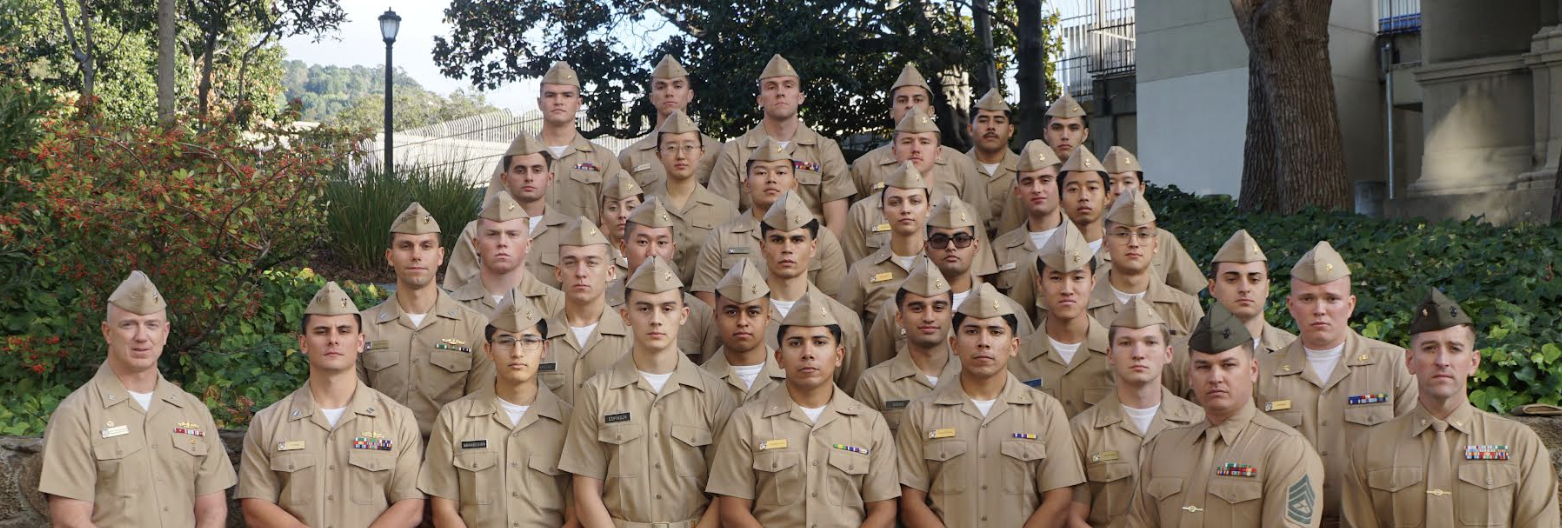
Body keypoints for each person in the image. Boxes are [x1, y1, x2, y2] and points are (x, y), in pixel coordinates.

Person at [1342, 289, 1559, 528]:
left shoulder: (1519, 444)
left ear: (1473, 362)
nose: (1442, 360)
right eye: (1429, 348)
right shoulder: (1370, 448)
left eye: (1455, 348)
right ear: (1410, 362)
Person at [39, 271, 237, 528]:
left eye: (151, 325)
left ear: (165, 333)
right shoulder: (77, 414)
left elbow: (212, 510)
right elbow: (70, 520)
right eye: (128, 324)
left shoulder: (193, 411)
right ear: (108, 332)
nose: (141, 336)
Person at [559, 256, 737, 528]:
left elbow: (724, 490)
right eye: (644, 309)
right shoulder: (597, 392)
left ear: (684, 315)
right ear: (626, 315)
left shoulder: (713, 393)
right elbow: (585, 493)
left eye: (667, 309)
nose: (656, 320)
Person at [897, 283, 1086, 528]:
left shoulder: (1046, 411)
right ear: (954, 344)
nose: (983, 342)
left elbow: (1059, 500)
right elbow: (911, 503)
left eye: (996, 332)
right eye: (972, 331)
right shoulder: (921, 413)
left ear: (1014, 346)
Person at [1256, 241, 1417, 527]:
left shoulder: (1394, 366)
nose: (1320, 309)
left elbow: (1415, 453)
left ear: (1350, 304)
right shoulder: (1262, 373)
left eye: (1331, 299)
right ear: (1291, 306)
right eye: (1307, 299)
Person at [238, 282, 425, 528]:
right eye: (322, 331)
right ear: (303, 343)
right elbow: (255, 506)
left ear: (360, 342)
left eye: (344, 331)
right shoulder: (268, 422)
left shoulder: (398, 420)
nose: (333, 340)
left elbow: (410, 506)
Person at [707, 293, 901, 528]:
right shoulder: (747, 422)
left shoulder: (870, 424)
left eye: (819, 342)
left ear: (839, 355)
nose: (808, 353)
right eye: (795, 343)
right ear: (779, 358)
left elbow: (884, 511)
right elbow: (733, 510)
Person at [1126, 304, 1325, 528]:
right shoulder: (1163, 447)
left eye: (1228, 365)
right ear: (1190, 375)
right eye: (1203, 367)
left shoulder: (1285, 450)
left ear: (1253, 370)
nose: (1215, 377)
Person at [418, 296, 577, 528]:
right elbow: (444, 510)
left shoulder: (569, 421)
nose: (517, 352)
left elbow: (575, 514)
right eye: (505, 341)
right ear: (488, 350)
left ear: (545, 348)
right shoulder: (454, 419)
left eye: (529, 340)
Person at [1067, 299, 1203, 528]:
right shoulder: (1083, 430)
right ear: (1110, 354)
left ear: (1169, 353)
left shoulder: (1199, 423)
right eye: (1126, 343)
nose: (1138, 353)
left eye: (1150, 342)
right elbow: (1073, 515)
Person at [360, 203, 492, 437]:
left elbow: (480, 409)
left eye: (426, 246)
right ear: (390, 256)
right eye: (405, 246)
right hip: (382, 459)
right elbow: (355, 409)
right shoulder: (364, 328)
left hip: (447, 459)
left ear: (440, 255)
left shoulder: (473, 327)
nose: (416, 255)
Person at [862, 195, 1033, 367]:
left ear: (975, 246)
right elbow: (879, 368)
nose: (950, 247)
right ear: (926, 247)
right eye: (940, 240)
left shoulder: (1009, 310)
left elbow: (1024, 370)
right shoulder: (896, 309)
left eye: (961, 240)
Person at [691, 138, 850, 304]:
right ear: (746, 184)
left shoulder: (822, 239)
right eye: (761, 173)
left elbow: (834, 306)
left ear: (795, 184)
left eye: (780, 173)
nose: (771, 179)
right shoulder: (720, 238)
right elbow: (708, 307)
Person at [839, 107, 997, 273]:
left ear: (938, 153)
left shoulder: (966, 213)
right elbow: (853, 276)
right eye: (907, 142)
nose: (915, 149)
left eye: (924, 142)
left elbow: (977, 279)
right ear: (893, 151)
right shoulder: (863, 213)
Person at [709, 54, 854, 233]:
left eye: (788, 85)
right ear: (760, 100)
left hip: (811, 253)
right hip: (749, 254)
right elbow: (724, 219)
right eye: (771, 87)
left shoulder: (825, 150)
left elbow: (837, 224)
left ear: (800, 97)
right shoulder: (735, 151)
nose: (780, 92)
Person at [757, 190, 868, 393]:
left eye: (797, 240)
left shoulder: (844, 321)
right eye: (777, 240)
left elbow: (852, 397)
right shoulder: (745, 317)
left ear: (813, 247)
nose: (787, 248)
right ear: (763, 247)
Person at [1165, 229, 1295, 400]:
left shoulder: (1294, 351)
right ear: (1212, 287)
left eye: (1254, 279)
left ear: (1267, 287)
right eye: (1231, 279)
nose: (1244, 288)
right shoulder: (1179, 357)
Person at [1009, 221, 1112, 418]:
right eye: (1056, 278)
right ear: (1040, 283)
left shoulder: (1116, 354)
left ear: (1092, 282)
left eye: (1077, 278)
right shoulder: (1015, 359)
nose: (1066, 289)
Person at [447, 133, 574, 291]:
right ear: (505, 179)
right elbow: (460, 295)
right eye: (520, 170)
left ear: (549, 178)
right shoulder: (476, 231)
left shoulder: (571, 232)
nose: (528, 177)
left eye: (537, 170)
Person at [849, 63, 985, 209]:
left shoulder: (960, 165)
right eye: (902, 100)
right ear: (891, 112)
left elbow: (978, 222)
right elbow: (855, 222)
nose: (910, 106)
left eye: (918, 100)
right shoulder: (865, 167)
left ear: (931, 110)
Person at [606, 197, 722, 362]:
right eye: (642, 242)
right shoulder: (601, 307)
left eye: (661, 243)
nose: (652, 252)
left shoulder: (699, 314)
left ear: (673, 250)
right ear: (623, 248)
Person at [853, 259, 960, 435]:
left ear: (952, 316)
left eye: (938, 307)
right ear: (900, 318)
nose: (928, 317)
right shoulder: (874, 384)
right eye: (917, 308)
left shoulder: (973, 376)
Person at [1087, 190, 1203, 335]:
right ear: (1105, 244)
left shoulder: (1185, 308)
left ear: (1155, 245)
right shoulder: (1082, 307)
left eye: (1143, 234)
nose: (1134, 243)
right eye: (1122, 234)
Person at [543, 217, 631, 405]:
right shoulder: (536, 340)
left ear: (610, 272)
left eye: (591, 263)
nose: (581, 272)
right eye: (571, 263)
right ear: (558, 272)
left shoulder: (632, 339)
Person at [1097, 146, 1204, 296]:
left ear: (1141, 188)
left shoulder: (1164, 240)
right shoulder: (1090, 237)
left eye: (1127, 182)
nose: (1119, 190)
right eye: (1111, 183)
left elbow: (1189, 296)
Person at [648, 110, 738, 285]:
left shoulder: (725, 211)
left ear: (701, 153)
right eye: (671, 148)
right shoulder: (643, 207)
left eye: (688, 147)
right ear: (659, 155)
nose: (680, 155)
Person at [838, 161, 932, 329]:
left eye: (915, 201)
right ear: (883, 212)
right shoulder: (861, 273)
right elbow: (846, 332)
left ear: (929, 209)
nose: (905, 209)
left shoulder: (942, 265)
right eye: (895, 202)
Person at [448, 189, 566, 317]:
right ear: (477, 245)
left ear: (528, 245)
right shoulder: (451, 308)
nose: (502, 242)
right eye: (492, 234)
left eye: (512, 234)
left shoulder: (557, 305)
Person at [534, 61, 623, 225]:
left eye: (567, 95)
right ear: (540, 103)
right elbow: (495, 213)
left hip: (587, 250)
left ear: (579, 103)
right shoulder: (519, 157)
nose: (558, 101)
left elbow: (617, 219)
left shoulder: (603, 159)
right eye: (550, 95)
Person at [618, 55, 721, 191]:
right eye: (661, 87)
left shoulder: (716, 152)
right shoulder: (630, 157)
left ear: (690, 95)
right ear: (652, 97)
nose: (669, 93)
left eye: (677, 86)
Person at [991, 139, 1065, 311]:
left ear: (1061, 185)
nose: (1037, 189)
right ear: (1017, 191)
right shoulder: (1000, 250)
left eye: (1045, 180)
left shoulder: (1081, 242)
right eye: (1027, 182)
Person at [703, 258, 788, 404]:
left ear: (768, 317)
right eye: (732, 312)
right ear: (716, 317)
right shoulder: (698, 383)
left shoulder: (793, 378)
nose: (742, 322)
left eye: (753, 312)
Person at [968, 88, 1026, 236]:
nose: (991, 126)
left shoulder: (1026, 169)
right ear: (970, 129)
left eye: (999, 121)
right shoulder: (956, 168)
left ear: (1011, 130)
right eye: (983, 120)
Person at [1057, 146, 1110, 256]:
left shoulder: (1121, 251)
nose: (1083, 197)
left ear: (1107, 197)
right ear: (1060, 199)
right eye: (1073, 189)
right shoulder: (1048, 253)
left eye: (1092, 188)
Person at [598, 170, 643, 279]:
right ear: (602, 215)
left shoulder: (655, 254)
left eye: (630, 207)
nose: (622, 215)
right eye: (613, 208)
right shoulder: (593, 257)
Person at [1044, 94, 1089, 163]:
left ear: (1084, 134)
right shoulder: (1029, 173)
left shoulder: (1098, 173)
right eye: (1056, 128)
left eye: (1074, 128)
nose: (1065, 136)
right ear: (1046, 134)